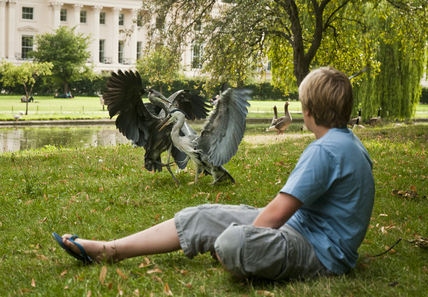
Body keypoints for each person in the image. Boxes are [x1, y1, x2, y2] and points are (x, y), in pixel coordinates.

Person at [53, 67, 375, 280]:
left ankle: (229, 246)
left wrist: (242, 233)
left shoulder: (325, 150)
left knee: (233, 241)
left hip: (320, 255)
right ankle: (111, 250)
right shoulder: (349, 144)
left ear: (307, 110)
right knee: (202, 215)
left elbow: (275, 214)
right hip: (300, 232)